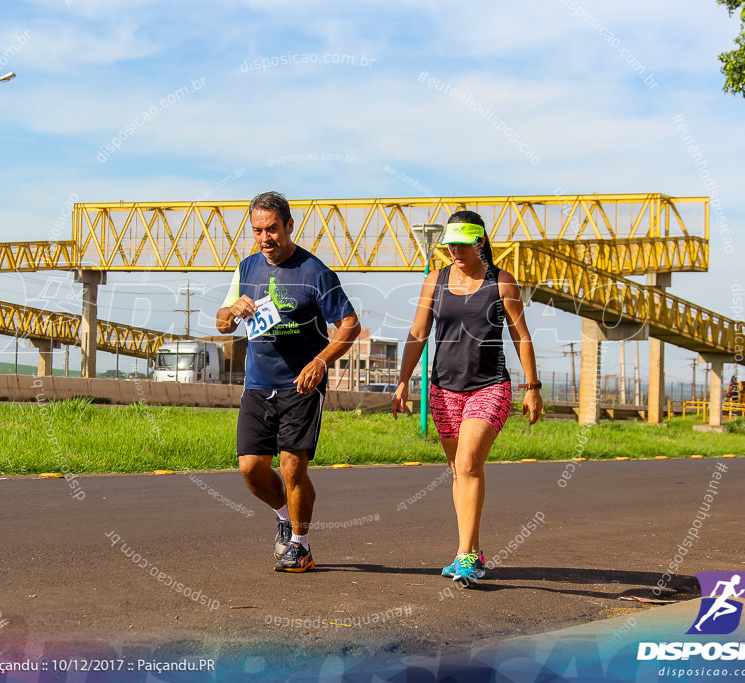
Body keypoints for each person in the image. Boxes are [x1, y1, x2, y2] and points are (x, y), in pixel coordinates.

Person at [391, 210, 542, 586]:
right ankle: (471, 552)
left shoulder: (501, 283)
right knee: (460, 470)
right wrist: (403, 381)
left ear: (480, 241)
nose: (454, 250)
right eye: (449, 244)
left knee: (469, 461)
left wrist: (533, 388)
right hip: (443, 387)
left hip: (489, 385)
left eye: (461, 243)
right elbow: (418, 332)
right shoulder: (435, 280)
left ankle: (465, 555)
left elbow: (521, 336)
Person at [216, 191, 360, 573]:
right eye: (258, 230)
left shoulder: (315, 272)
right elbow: (221, 321)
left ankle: (301, 545)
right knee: (250, 468)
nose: (266, 238)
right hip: (257, 385)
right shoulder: (246, 269)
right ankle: (284, 515)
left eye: (273, 229)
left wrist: (320, 361)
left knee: (293, 467)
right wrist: (232, 311)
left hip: (301, 384)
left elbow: (349, 324)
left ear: (289, 226)